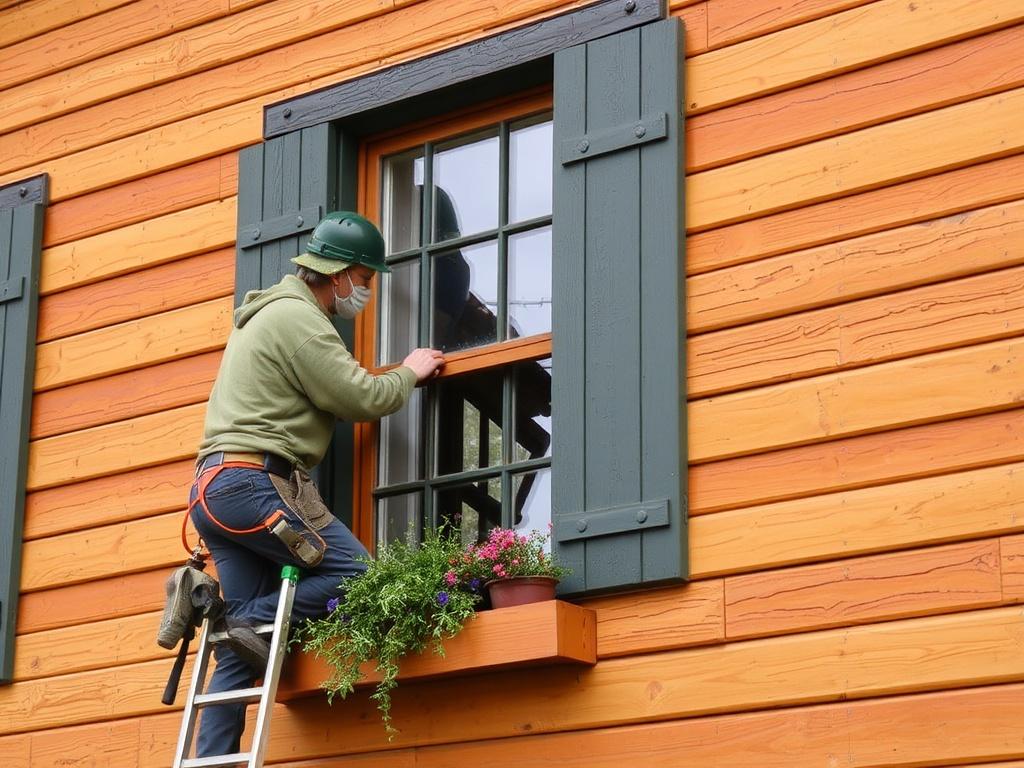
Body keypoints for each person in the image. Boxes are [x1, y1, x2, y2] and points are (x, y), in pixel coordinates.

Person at [187, 211, 444, 756]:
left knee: (239, 651)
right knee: (356, 574)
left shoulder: (268, 315)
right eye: (366, 281)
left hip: (215, 490)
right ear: (340, 273)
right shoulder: (299, 320)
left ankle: (212, 756)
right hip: (255, 485)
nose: (366, 292)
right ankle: (240, 619)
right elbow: (360, 398)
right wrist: (411, 370)